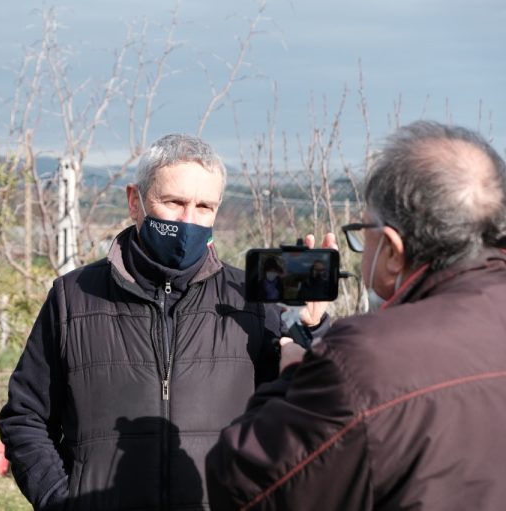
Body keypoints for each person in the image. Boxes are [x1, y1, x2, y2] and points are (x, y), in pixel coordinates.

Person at [0, 133, 333, 510]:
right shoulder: (73, 297)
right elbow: (25, 418)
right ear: (134, 201)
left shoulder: (253, 303)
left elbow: (313, 414)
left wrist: (312, 329)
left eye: (204, 206)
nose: (189, 221)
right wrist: (61, 501)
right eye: (174, 202)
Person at [206, 121, 506, 510]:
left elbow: (244, 486)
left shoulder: (364, 360)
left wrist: (296, 377)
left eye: (365, 231)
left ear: (394, 250)